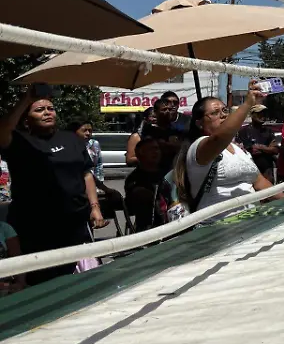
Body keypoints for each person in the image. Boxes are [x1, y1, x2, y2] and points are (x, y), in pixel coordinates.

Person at [0, 87, 106, 285]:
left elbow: (86, 173)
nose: (47, 112)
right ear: (26, 118)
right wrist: (26, 99)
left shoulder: (72, 139)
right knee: (42, 279)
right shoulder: (18, 140)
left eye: (50, 108)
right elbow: (3, 131)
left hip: (74, 223)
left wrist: (95, 207)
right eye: (39, 109)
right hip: (36, 226)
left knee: (78, 278)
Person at [175, 92, 279, 217]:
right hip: (217, 227)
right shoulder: (199, 146)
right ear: (199, 123)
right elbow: (218, 138)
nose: (223, 115)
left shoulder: (238, 149)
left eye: (225, 110)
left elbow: (259, 182)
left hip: (251, 220)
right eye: (215, 112)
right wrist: (247, 104)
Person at [124, 137, 169, 231]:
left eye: (157, 148)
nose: (155, 152)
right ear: (140, 154)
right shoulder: (134, 179)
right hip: (147, 230)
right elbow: (131, 207)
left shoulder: (168, 174)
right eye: (150, 149)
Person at [237, 105, 280, 178]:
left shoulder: (269, 131)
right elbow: (246, 150)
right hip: (249, 170)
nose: (263, 116)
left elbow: (275, 150)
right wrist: (266, 148)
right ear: (252, 115)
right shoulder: (244, 131)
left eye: (264, 113)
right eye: (260, 113)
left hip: (267, 170)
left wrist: (259, 147)